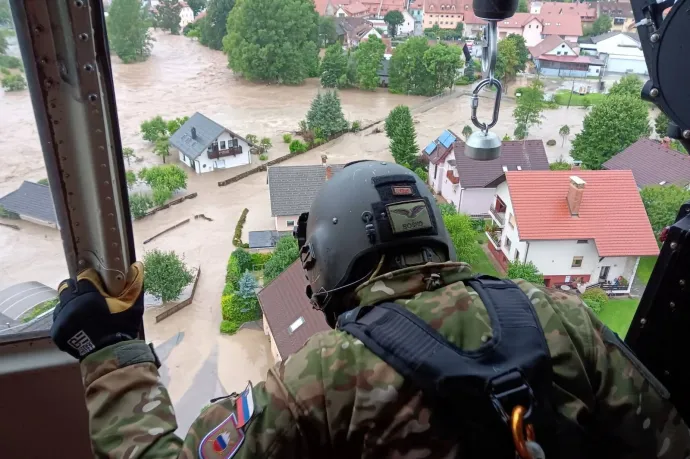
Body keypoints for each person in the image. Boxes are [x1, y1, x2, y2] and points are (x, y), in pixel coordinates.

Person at [51, 161, 690, 459]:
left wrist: (111, 354)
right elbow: (669, 440)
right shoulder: (562, 314)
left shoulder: (321, 378)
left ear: (331, 257)